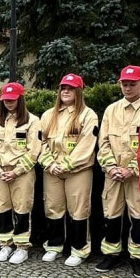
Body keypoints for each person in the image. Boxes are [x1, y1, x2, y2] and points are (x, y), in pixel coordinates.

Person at [38, 73, 100, 267]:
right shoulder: (49, 115)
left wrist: (65, 165)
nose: (65, 91)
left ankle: (79, 249)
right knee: (53, 208)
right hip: (52, 169)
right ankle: (54, 246)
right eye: (63, 88)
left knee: (79, 210)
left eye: (70, 88)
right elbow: (41, 142)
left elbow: (86, 145)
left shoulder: (88, 115)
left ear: (79, 91)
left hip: (77, 170)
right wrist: (49, 163)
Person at [96, 66, 140, 277]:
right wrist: (111, 167)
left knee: (138, 217)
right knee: (112, 215)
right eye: (124, 84)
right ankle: (111, 254)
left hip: (138, 175)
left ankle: (138, 257)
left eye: (132, 84)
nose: (127, 88)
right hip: (113, 174)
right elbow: (104, 142)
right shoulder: (111, 110)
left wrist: (132, 169)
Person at [0, 82, 42, 264]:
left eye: (12, 100)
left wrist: (17, 171)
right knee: (2, 208)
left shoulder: (33, 121)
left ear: (20, 99)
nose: (9, 103)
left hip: (22, 173)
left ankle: (21, 247)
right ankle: (5, 244)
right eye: (6, 100)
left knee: (22, 208)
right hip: (1, 172)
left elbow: (34, 151)